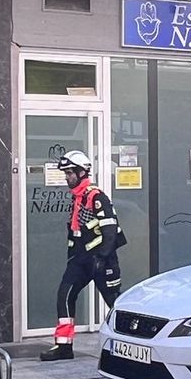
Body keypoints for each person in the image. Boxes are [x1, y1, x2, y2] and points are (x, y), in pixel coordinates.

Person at [40, 150, 126, 362]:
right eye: (66, 173)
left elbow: (110, 230)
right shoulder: (78, 197)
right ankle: (64, 346)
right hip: (81, 260)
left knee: (114, 302)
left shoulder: (97, 197)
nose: (67, 177)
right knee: (65, 295)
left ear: (82, 172)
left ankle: (128, 344)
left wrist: (102, 257)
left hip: (102, 259)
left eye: (70, 173)